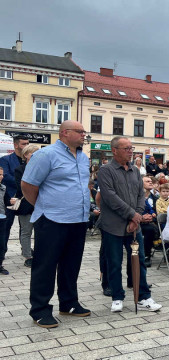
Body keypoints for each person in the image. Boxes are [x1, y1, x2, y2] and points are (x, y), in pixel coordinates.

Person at [21, 121, 91, 328]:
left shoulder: (83, 156)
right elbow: (28, 184)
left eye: (84, 132)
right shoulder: (46, 154)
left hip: (78, 218)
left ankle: (68, 303)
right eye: (80, 132)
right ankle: (40, 310)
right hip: (52, 218)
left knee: (71, 264)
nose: (84, 135)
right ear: (65, 133)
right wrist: (43, 205)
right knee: (45, 265)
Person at [98, 136, 162, 314]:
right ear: (114, 150)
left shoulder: (135, 170)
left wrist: (138, 216)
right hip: (113, 226)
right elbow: (110, 197)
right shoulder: (106, 171)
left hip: (134, 227)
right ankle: (117, 297)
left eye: (131, 148)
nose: (130, 151)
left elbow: (140, 195)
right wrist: (132, 214)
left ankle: (143, 296)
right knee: (114, 262)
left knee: (138, 260)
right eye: (126, 148)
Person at [0, 134, 28, 272]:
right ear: (16, 145)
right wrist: (24, 183)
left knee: (26, 227)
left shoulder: (29, 161)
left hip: (25, 199)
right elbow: (5, 177)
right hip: (10, 198)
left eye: (27, 143)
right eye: (23, 144)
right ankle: (2, 252)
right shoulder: (5, 160)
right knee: (6, 226)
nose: (26, 146)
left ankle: (26, 249)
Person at [10, 144, 39, 268]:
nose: (37, 155)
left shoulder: (41, 168)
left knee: (40, 232)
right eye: (34, 153)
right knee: (26, 232)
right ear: (26, 155)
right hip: (26, 205)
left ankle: (39, 254)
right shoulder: (20, 169)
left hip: (40, 206)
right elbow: (21, 187)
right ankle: (28, 256)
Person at [140, 176, 158, 267]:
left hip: (152, 220)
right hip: (138, 221)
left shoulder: (155, 198)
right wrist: (141, 217)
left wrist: (152, 216)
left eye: (151, 181)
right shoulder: (137, 196)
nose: (150, 182)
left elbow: (157, 212)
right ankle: (146, 255)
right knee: (150, 229)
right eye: (147, 181)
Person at [0, 168, 10, 274]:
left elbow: (6, 201)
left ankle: (0, 264)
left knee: (1, 244)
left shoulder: (3, 187)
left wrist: (11, 201)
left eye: (2, 175)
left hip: (2, 218)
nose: (1, 177)